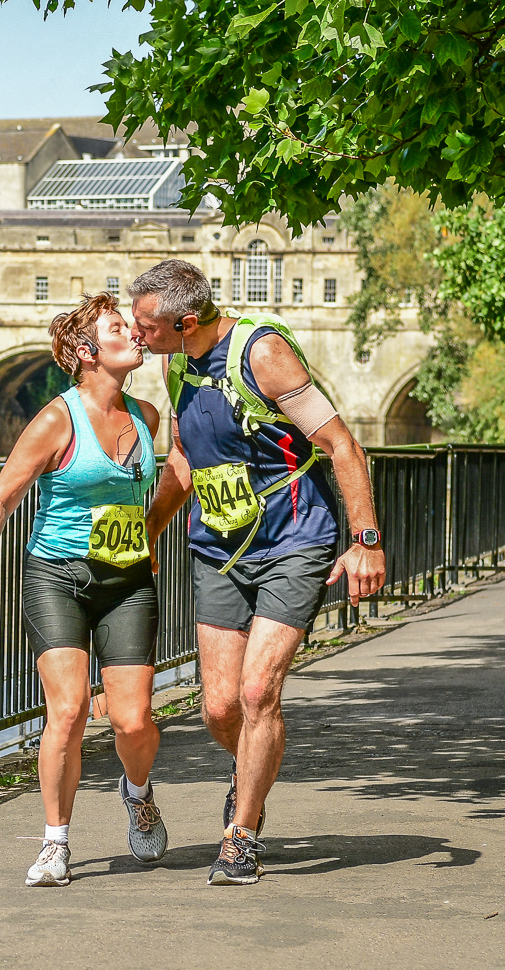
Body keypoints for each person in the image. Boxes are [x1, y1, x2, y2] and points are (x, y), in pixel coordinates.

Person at [128, 259, 385, 886]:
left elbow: (342, 446)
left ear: (186, 322)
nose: (136, 335)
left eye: (146, 326)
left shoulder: (262, 353)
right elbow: (187, 456)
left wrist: (367, 542)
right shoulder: (178, 361)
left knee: (256, 692)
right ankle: (250, 770)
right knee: (218, 708)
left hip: (295, 539)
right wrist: (148, 532)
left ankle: (242, 832)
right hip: (219, 547)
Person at [0, 293, 167, 888]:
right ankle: (55, 842)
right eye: (118, 328)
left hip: (127, 579)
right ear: (85, 351)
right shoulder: (55, 420)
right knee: (67, 712)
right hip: (58, 576)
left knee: (132, 719)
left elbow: (174, 479)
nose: (135, 334)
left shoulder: (147, 418)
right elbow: (0, 498)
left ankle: (139, 792)